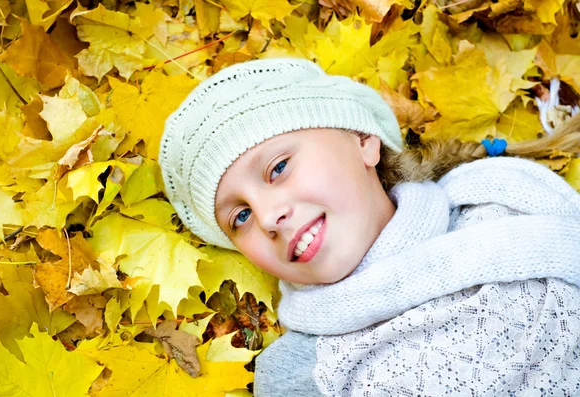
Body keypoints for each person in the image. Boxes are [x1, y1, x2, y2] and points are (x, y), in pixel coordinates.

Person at [159, 57, 580, 396]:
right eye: (241, 217)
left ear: (363, 141)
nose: (267, 217)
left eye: (279, 168)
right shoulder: (297, 375)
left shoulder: (503, 199)